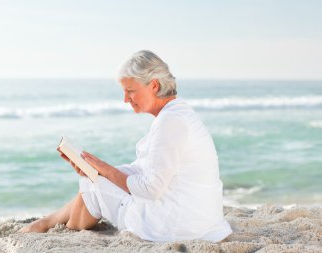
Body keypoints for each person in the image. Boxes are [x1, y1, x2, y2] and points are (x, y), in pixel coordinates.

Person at [20, 50, 232, 242]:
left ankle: (60, 230)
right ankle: (48, 222)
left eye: (130, 91)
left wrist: (106, 172)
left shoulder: (171, 122)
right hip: (196, 217)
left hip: (178, 226)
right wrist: (99, 170)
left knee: (94, 187)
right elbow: (147, 169)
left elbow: (150, 189)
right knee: (96, 179)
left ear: (154, 86)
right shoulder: (176, 114)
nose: (125, 99)